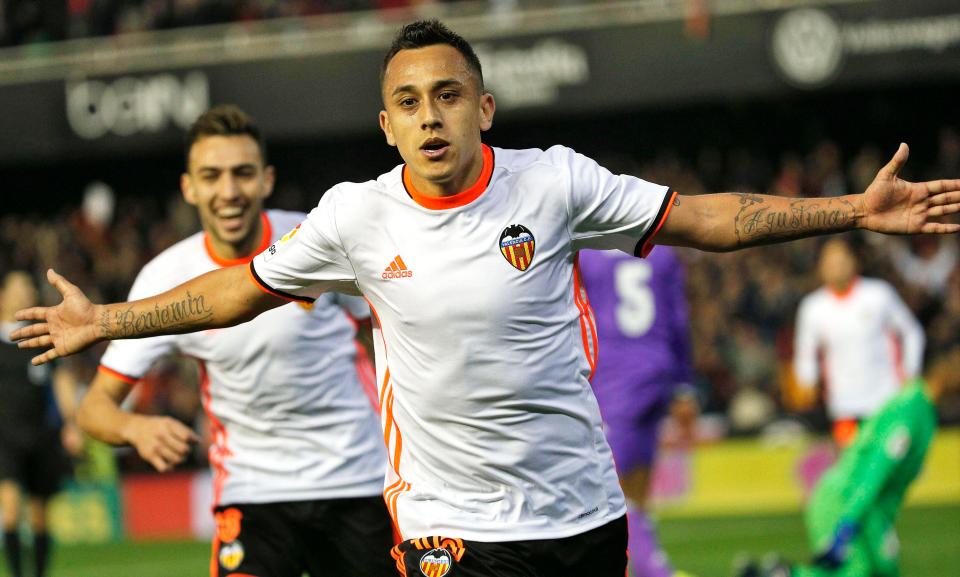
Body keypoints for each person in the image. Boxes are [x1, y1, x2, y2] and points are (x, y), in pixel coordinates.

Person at [12, 20, 960, 577]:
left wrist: (850, 210)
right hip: (450, 524)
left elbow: (707, 219)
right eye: (411, 102)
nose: (432, 115)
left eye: (450, 95)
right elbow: (231, 293)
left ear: (485, 107)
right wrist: (107, 319)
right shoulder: (355, 218)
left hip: (583, 515)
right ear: (387, 126)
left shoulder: (553, 184)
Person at [73, 105, 394, 577]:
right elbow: (93, 409)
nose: (228, 191)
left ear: (266, 180)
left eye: (242, 173)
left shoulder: (314, 241)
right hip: (252, 496)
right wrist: (135, 429)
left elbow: (386, 324)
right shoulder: (165, 278)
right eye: (212, 175)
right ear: (189, 187)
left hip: (358, 482)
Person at [737, 349, 958, 577]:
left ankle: (779, 574)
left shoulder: (920, 410)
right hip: (846, 498)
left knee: (877, 571)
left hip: (863, 505)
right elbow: (876, 471)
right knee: (862, 571)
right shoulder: (911, 411)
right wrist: (847, 525)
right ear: (941, 370)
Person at [578, 246, 694, 577]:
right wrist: (684, 385)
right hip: (659, 371)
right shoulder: (663, 253)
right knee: (639, 496)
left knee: (614, 494)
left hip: (615, 378)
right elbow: (678, 319)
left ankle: (657, 572)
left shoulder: (588, 255)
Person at [793, 238, 925, 447]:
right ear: (820, 266)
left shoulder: (879, 294)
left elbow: (912, 332)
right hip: (844, 405)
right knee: (855, 468)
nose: (836, 266)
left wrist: (911, 373)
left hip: (886, 399)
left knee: (887, 467)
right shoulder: (813, 307)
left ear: (855, 261)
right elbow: (805, 351)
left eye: (841, 259)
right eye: (830, 260)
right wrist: (807, 379)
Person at [0, 271, 83, 577]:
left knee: (39, 517)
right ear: (3, 295)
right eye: (18, 287)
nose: (25, 292)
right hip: (4, 438)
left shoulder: (42, 336)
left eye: (28, 287)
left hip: (40, 435)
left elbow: (61, 379)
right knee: (9, 510)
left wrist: (71, 423)